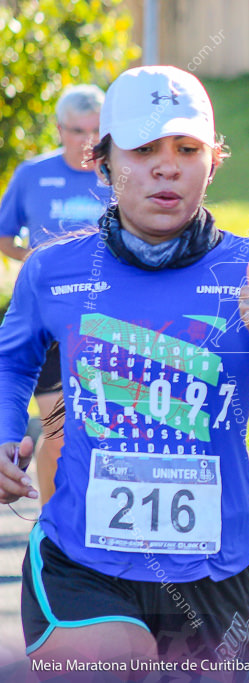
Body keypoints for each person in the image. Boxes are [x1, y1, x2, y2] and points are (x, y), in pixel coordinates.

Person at [0, 65, 249, 670]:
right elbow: (11, 364)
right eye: (144, 149)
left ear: (213, 162)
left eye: (187, 149)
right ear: (102, 163)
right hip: (83, 560)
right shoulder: (55, 270)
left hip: (213, 570)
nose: (166, 166)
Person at [0, 84, 111, 505]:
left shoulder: (119, 173)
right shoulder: (32, 174)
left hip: (105, 318)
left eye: (96, 130)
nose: (87, 141)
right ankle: (53, 516)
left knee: (102, 427)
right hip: (47, 318)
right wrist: (38, 264)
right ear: (59, 130)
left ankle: (98, 513)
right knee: (59, 430)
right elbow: (3, 234)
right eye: (77, 130)